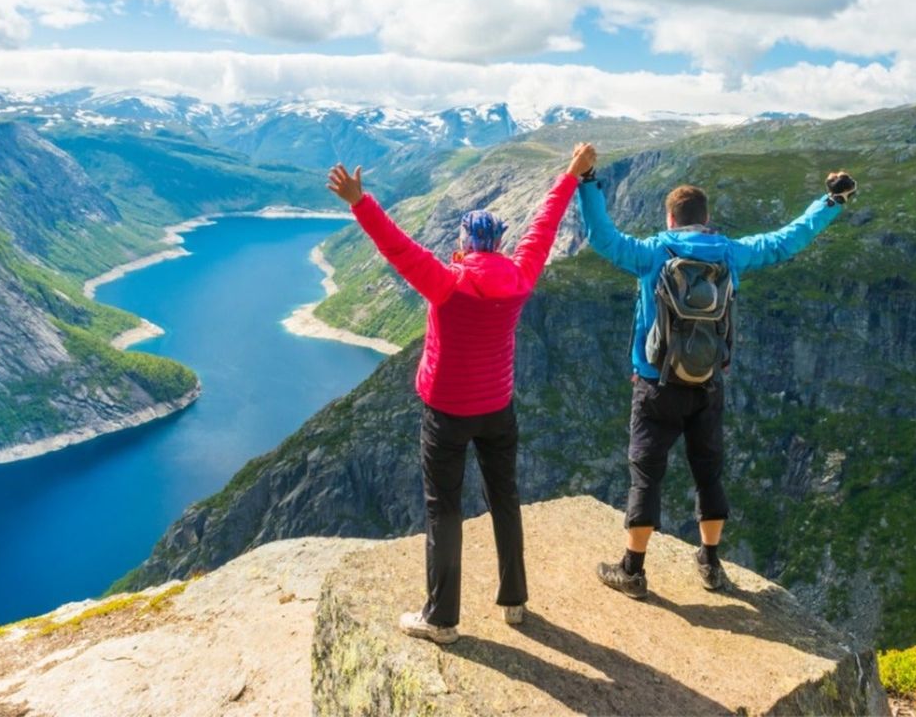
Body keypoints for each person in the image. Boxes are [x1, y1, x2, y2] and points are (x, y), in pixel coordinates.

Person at [327, 142, 596, 643]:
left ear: (465, 243)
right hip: (498, 409)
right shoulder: (519, 274)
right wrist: (571, 175)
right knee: (505, 497)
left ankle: (442, 619)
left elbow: (397, 247)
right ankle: (514, 600)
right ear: (496, 243)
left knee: (443, 509)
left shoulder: (447, 282)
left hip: (446, 413)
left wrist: (360, 202)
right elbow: (543, 227)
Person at [576, 161, 857, 598]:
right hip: (707, 384)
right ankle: (709, 563)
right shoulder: (730, 253)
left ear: (670, 219)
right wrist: (830, 203)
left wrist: (588, 182)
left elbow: (602, 236)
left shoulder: (653, 253)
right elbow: (785, 241)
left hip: (656, 385)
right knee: (708, 473)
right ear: (705, 219)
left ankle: (632, 570)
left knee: (646, 475)